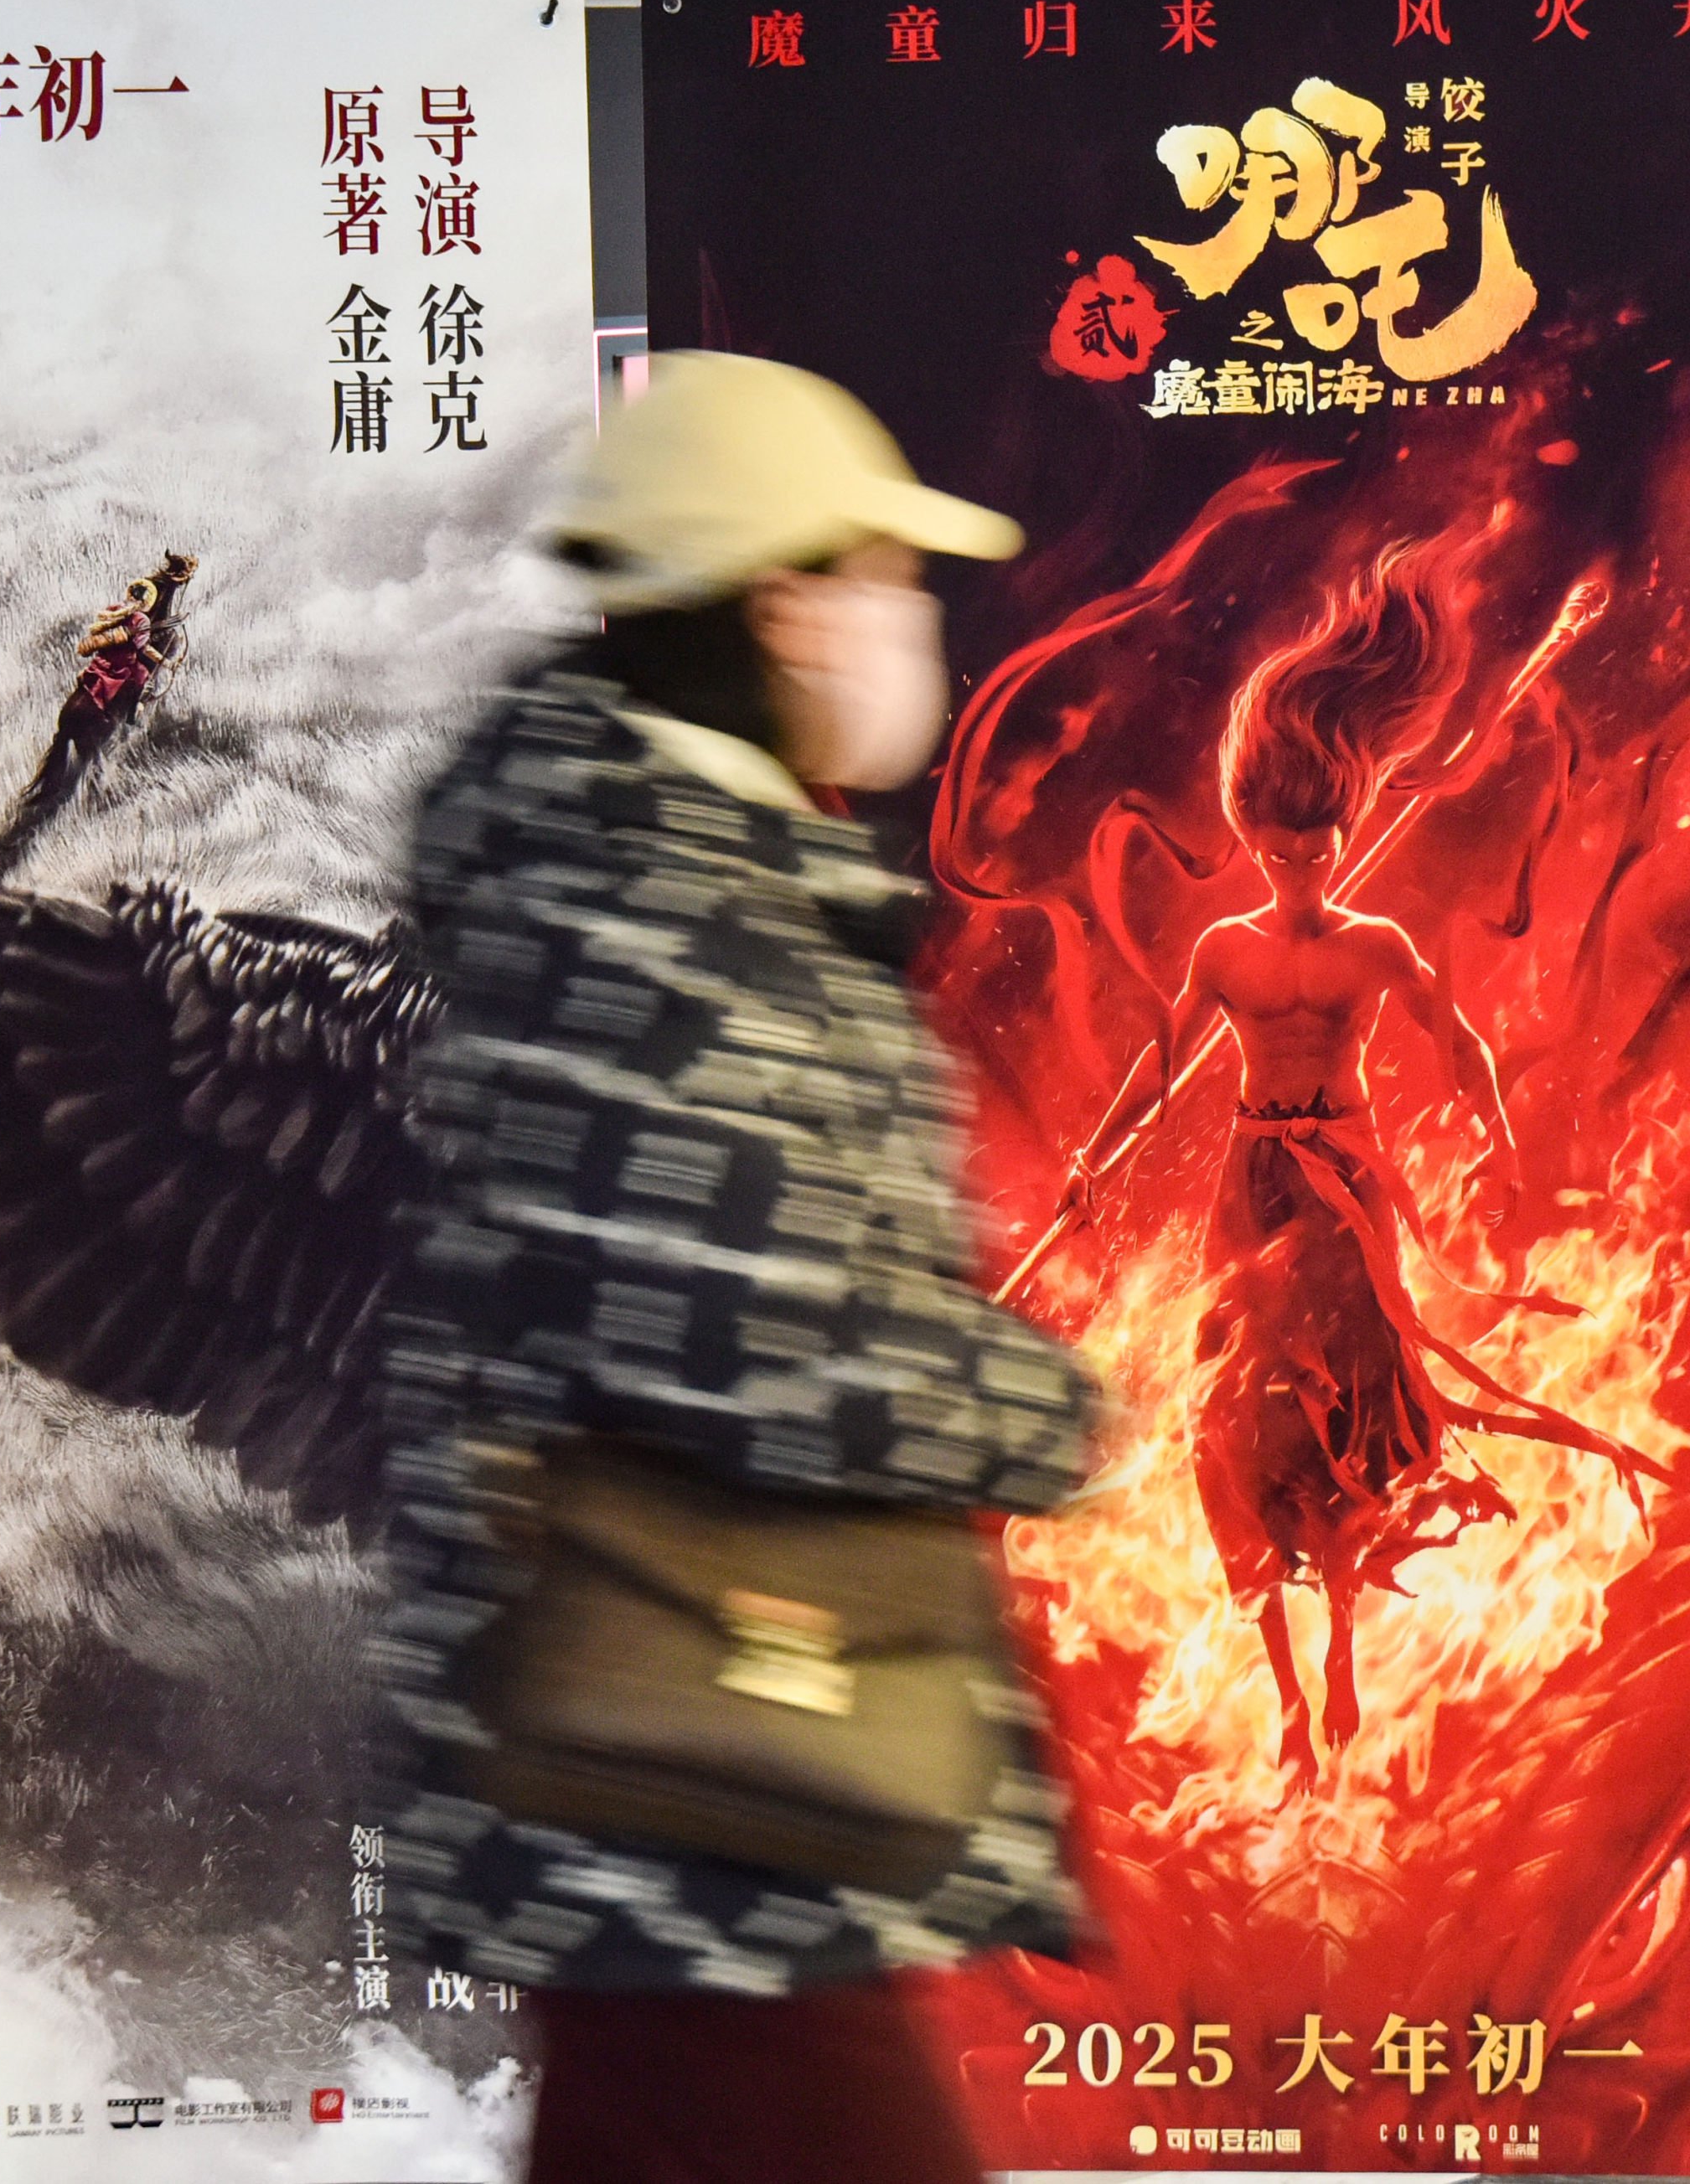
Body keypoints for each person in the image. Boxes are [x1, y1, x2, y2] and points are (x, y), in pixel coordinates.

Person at [365, 353, 1096, 2184]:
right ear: (785, 601)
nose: (909, 622)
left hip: (699, 1764)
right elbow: (728, 1338)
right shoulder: (643, 904)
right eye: (887, 577)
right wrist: (1031, 1402)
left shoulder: (687, 873)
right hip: (707, 1774)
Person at [1048, 540, 1662, 1786]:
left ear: (1345, 827)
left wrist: (1500, 1151)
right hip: (1247, 1182)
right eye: (1280, 848)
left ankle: (1338, 1652)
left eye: (1317, 844)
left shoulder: (1372, 946)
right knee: (1232, 1423)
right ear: (1249, 834)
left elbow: (1461, 1043)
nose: (1301, 866)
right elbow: (1159, 1066)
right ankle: (1283, 1678)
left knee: (1349, 1422)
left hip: (1343, 1194)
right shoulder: (1222, 953)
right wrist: (1093, 1158)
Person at [0, 550, 196, 881]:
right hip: (120, 665)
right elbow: (144, 652)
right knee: (141, 679)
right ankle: (132, 713)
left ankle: (54, 780)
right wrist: (168, 663)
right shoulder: (141, 620)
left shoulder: (121, 610)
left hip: (101, 665)